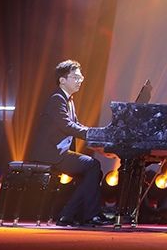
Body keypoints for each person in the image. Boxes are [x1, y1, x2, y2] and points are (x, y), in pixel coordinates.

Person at [28, 59, 108, 227]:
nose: (80, 80)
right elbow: (67, 126)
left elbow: (77, 125)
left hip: (59, 152)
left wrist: (99, 138)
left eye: (81, 78)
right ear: (62, 80)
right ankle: (87, 215)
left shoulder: (69, 100)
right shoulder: (57, 98)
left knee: (94, 172)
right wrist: (95, 134)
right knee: (93, 166)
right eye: (76, 77)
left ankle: (68, 215)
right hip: (50, 153)